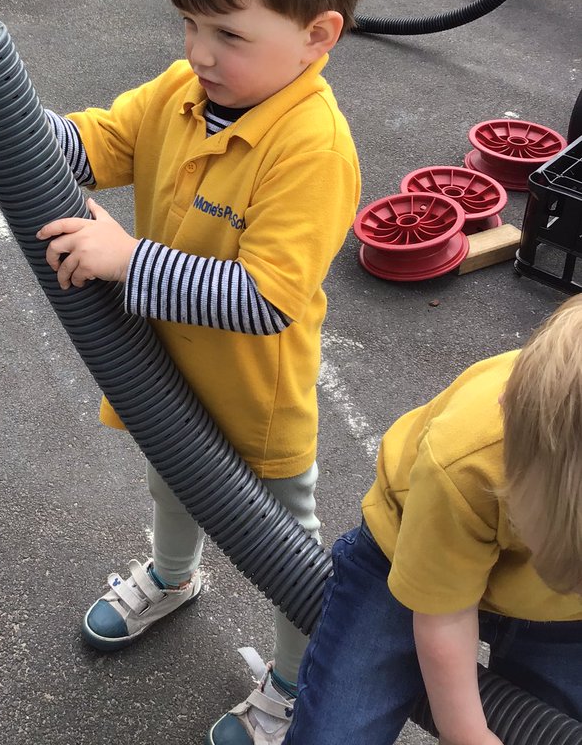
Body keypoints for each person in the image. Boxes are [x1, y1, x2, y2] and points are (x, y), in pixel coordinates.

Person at [0, 0, 373, 745]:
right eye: (188, 23)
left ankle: (293, 683)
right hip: (168, 382)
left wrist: (127, 260)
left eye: (228, 33)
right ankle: (174, 578)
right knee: (172, 484)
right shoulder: (183, 93)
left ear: (318, 34)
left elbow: (265, 298)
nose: (199, 51)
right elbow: (95, 144)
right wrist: (11, 123)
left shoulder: (312, 148)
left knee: (289, 553)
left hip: (256, 407)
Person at [227, 294, 582, 745]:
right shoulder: (463, 461)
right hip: (406, 562)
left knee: (553, 732)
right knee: (337, 731)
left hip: (559, 615)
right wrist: (468, 734)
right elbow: (444, 619)